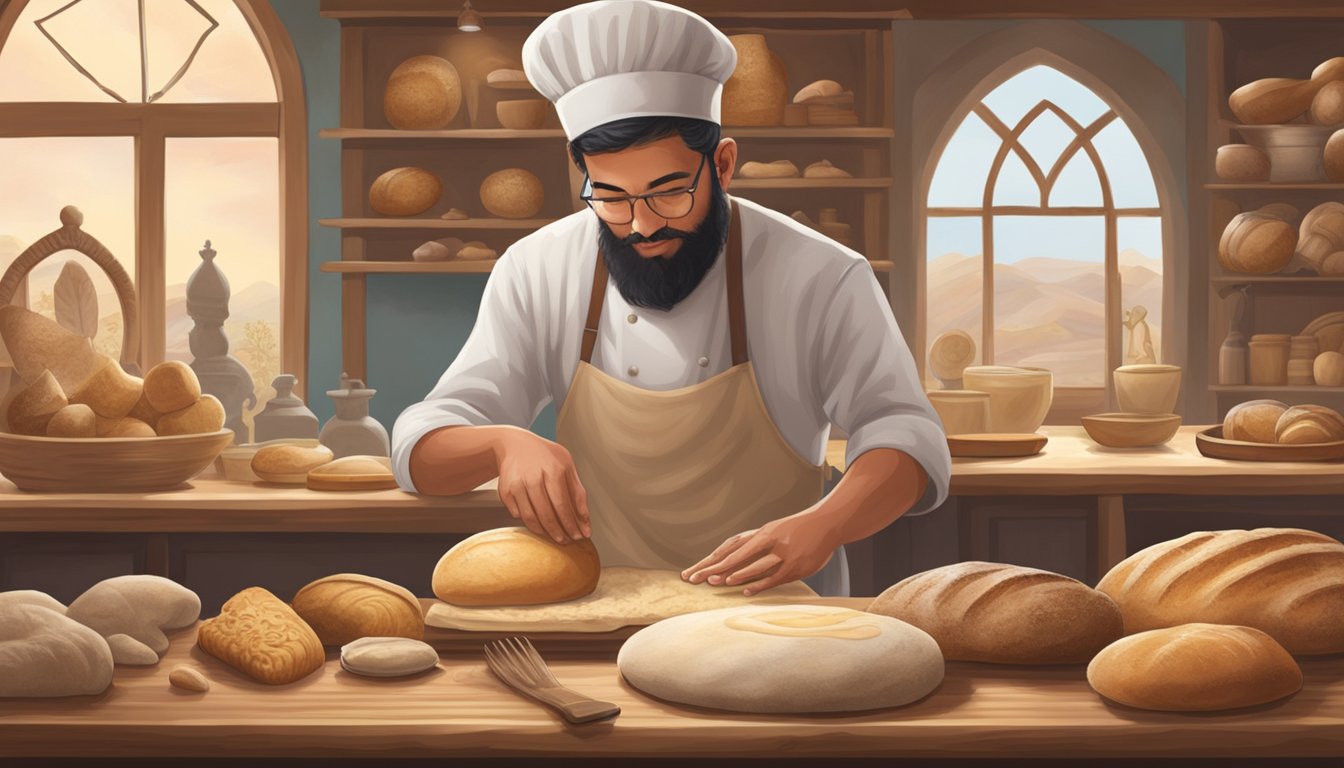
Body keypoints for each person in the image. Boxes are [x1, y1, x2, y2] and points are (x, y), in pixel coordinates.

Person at [391, 0, 950, 597]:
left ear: (724, 164)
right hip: (595, 610)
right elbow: (423, 444)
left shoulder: (821, 274)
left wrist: (825, 524)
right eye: (610, 196)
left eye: (669, 191)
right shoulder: (538, 267)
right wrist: (503, 443)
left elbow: (904, 434)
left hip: (777, 613)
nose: (640, 225)